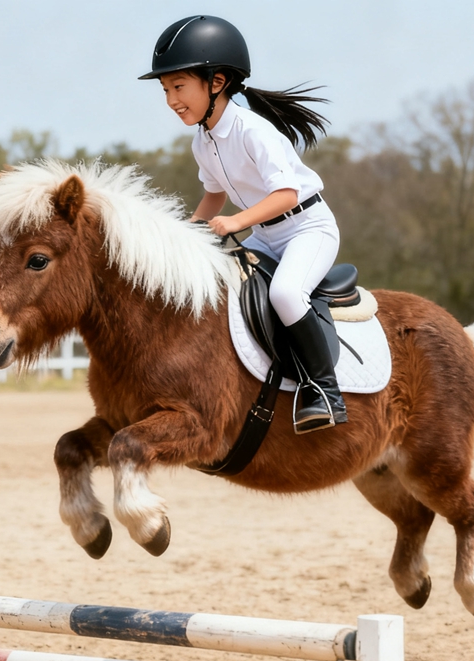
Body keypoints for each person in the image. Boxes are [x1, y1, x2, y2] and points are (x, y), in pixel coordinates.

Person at [141, 15, 345, 433]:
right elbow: (213, 195)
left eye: (178, 87)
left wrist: (235, 221)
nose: (171, 100)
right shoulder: (204, 140)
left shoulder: (254, 131)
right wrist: (186, 233)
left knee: (287, 293)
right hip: (268, 235)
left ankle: (325, 391)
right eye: (165, 90)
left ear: (216, 83)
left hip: (308, 228)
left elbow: (287, 195)